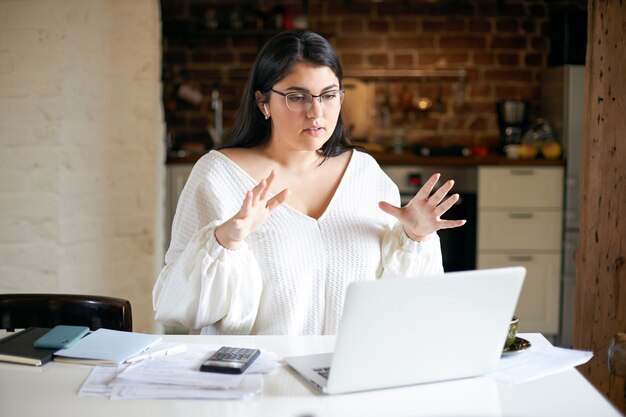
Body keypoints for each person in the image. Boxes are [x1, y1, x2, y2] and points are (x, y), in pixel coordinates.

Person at [153, 30, 466, 335]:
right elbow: (179, 308)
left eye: (328, 96)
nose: (316, 113)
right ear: (263, 103)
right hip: (258, 378)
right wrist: (225, 240)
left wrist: (415, 238)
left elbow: (402, 310)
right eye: (297, 97)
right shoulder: (218, 175)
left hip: (347, 376)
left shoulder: (366, 174)